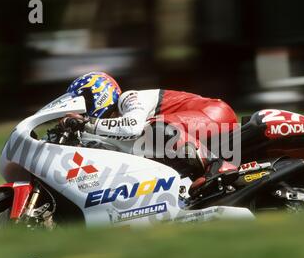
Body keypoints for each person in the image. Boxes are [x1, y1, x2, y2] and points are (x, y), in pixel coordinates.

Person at [60, 71, 239, 197]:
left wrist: (88, 124)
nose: (82, 109)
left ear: (100, 92)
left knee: (154, 128)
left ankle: (217, 165)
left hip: (213, 113)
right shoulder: (111, 127)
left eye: (85, 100)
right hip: (197, 125)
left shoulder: (128, 98)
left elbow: (133, 127)